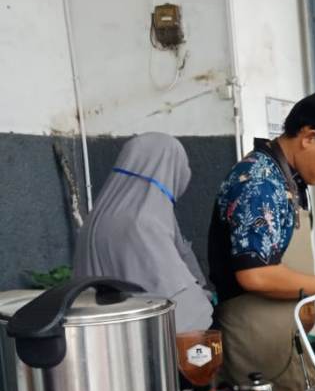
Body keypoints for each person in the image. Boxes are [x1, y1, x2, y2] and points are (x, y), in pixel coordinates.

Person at [208, 90, 315, 391]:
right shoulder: (259, 182)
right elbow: (257, 276)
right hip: (254, 337)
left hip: (282, 334)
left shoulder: (285, 181)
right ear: (309, 137)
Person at [73, 132, 214, 333]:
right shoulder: (142, 222)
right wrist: (206, 303)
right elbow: (176, 296)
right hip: (141, 340)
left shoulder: (100, 214)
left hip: (101, 333)